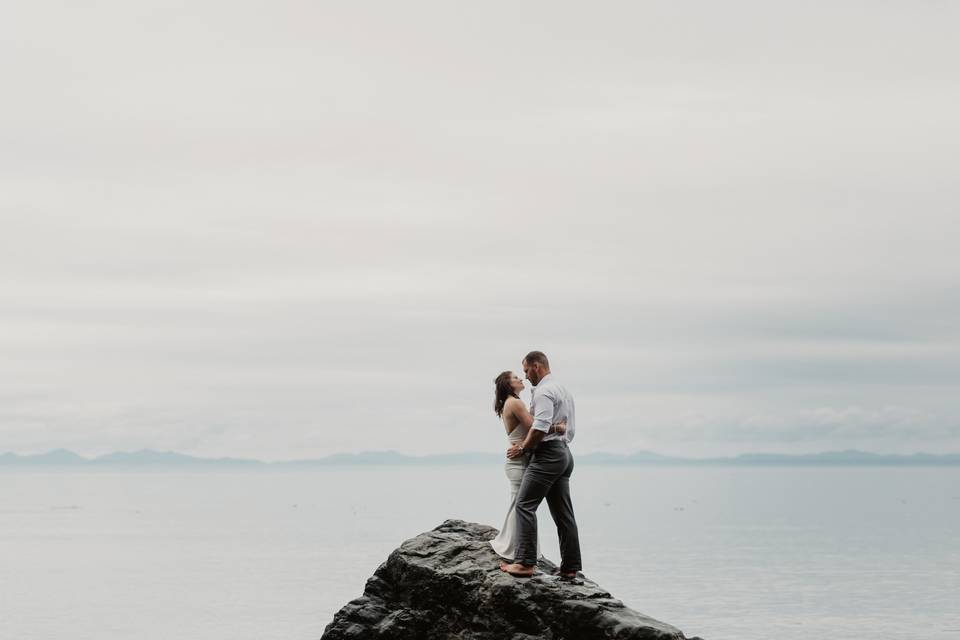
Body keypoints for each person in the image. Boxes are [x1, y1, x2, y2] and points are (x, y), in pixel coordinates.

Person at [499, 350, 582, 580]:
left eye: (526, 370)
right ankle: (570, 567)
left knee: (524, 505)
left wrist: (523, 448)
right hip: (564, 454)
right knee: (564, 515)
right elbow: (564, 427)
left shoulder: (544, 391)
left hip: (548, 455)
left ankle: (525, 564)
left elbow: (539, 428)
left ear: (537, 366)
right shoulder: (562, 389)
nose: (525, 376)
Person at [488, 370, 566, 562]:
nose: (520, 378)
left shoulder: (511, 402)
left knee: (519, 504)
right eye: (515, 378)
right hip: (519, 461)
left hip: (519, 460)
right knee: (521, 505)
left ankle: (515, 547)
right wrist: (558, 427)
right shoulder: (514, 402)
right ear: (508, 385)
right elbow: (535, 426)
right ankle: (515, 550)